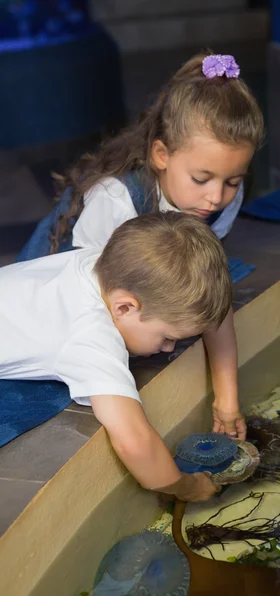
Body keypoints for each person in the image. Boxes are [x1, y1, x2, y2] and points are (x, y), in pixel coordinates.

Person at [17, 51, 264, 439]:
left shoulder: (219, 195)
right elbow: (94, 304)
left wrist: (226, 399)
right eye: (202, 178)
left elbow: (207, 286)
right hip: (63, 279)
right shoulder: (115, 201)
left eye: (232, 182)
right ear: (161, 155)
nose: (217, 197)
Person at [0, 213, 233, 502]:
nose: (169, 349)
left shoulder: (103, 263)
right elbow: (134, 442)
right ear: (124, 307)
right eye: (167, 337)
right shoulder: (91, 335)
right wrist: (186, 487)